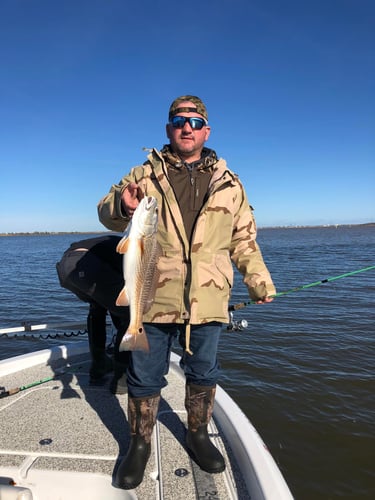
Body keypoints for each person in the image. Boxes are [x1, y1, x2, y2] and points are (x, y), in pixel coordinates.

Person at [97, 95, 276, 489]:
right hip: (153, 295)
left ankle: (197, 434)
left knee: (203, 372)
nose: (186, 127)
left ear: (206, 130)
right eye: (179, 120)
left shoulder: (230, 183)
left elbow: (244, 239)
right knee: (143, 376)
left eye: (195, 121)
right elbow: (107, 212)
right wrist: (123, 205)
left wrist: (258, 279)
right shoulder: (144, 174)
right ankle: (139, 444)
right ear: (168, 129)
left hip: (209, 297)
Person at [56, 235, 131, 393]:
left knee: (97, 308)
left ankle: (98, 367)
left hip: (65, 267)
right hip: (86, 264)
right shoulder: (131, 248)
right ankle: (121, 379)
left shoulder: (112, 243)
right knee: (129, 317)